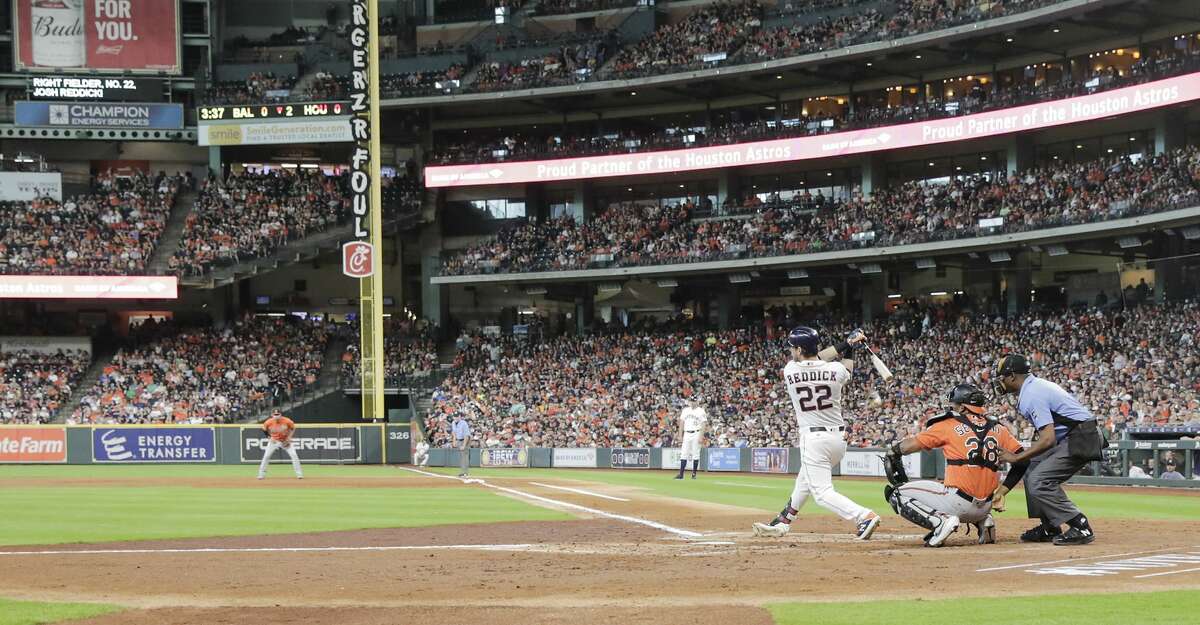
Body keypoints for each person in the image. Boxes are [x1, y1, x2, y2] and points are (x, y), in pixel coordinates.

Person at [753, 327, 881, 540]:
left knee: (821, 493)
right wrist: (851, 347)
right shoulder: (836, 370)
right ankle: (785, 520)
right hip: (838, 440)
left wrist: (846, 343)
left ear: (800, 349)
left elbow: (820, 357)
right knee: (805, 480)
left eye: (794, 348)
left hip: (814, 439)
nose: (792, 352)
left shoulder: (791, 370)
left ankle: (864, 516)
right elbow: (845, 370)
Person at [881, 383, 1025, 547]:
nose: (952, 407)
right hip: (986, 505)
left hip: (957, 503)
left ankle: (940, 522)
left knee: (895, 493)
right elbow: (1024, 460)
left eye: (954, 404)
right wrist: (1001, 492)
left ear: (963, 407)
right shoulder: (1000, 428)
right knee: (967, 495)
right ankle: (984, 521)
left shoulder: (948, 425)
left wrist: (893, 451)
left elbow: (910, 445)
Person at [991, 354, 1103, 546]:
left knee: (1039, 479)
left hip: (1082, 437)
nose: (1000, 382)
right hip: (1077, 435)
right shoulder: (1035, 386)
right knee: (1032, 468)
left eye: (1002, 377)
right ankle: (1051, 526)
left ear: (1012, 376)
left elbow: (1048, 439)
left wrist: (1016, 458)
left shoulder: (1032, 393)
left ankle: (1080, 525)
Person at [257, 410, 303, 480]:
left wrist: (289, 437)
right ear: (272, 414)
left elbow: (293, 428)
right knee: (266, 456)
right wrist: (269, 437)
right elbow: (264, 429)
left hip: (285, 441)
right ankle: (261, 474)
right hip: (274, 441)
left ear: (281, 414)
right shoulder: (268, 422)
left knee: (294, 455)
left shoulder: (287, 421)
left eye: (277, 414)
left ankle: (299, 474)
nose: (276, 415)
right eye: (275, 414)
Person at [676, 397, 707, 479]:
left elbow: (703, 424)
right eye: (691, 401)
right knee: (684, 453)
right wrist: (680, 435)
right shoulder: (685, 410)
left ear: (697, 402)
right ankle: (681, 474)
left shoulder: (701, 411)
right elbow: (681, 423)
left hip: (696, 432)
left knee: (695, 454)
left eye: (694, 401)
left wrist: (701, 436)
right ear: (689, 402)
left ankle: (694, 474)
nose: (693, 403)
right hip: (686, 433)